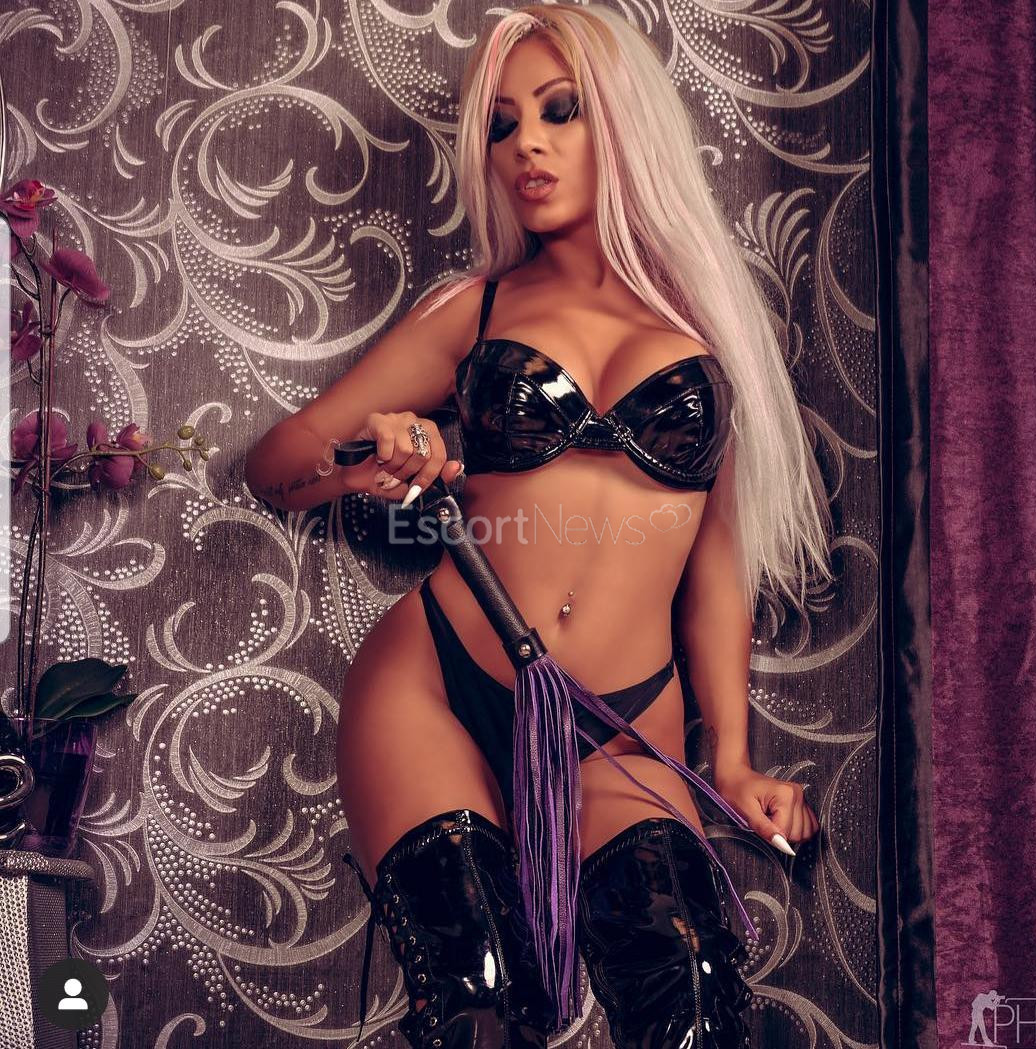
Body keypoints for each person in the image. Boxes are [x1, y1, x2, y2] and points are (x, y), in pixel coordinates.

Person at [245, 5, 833, 1047]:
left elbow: (716, 570)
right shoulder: (474, 311)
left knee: (697, 1008)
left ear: (623, 120)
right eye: (503, 126)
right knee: (480, 1000)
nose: (527, 147)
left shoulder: (711, 333)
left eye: (560, 112)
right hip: (439, 687)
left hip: (622, 730)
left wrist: (735, 761)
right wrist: (369, 461)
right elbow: (277, 461)